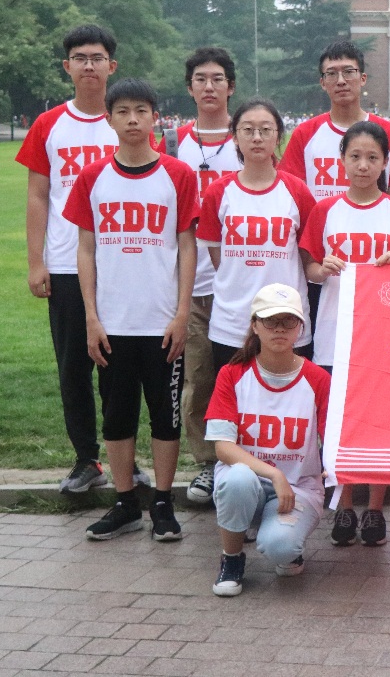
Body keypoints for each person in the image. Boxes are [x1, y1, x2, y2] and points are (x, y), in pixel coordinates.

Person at [16, 24, 153, 494]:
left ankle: (125, 460)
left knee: (121, 369)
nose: (89, 65)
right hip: (65, 264)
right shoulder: (49, 124)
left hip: (121, 265)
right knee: (74, 367)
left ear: (112, 66)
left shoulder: (126, 121)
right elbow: (38, 195)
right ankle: (85, 459)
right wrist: (36, 262)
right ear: (67, 66)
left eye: (97, 58)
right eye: (80, 58)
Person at [63, 78, 199, 541]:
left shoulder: (178, 175)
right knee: (117, 416)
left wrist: (181, 313)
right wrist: (91, 317)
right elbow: (85, 249)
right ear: (109, 119)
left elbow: (186, 247)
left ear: (155, 117)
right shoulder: (92, 177)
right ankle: (125, 503)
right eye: (123, 111)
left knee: (166, 417)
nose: (133, 119)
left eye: (142, 110)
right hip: (113, 322)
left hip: (162, 323)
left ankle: (162, 502)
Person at [300, 120, 390, 548]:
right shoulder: (325, 210)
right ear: (342, 161)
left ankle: (375, 507)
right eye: (355, 156)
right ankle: (345, 503)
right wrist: (322, 269)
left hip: (383, 333)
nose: (363, 165)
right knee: (338, 422)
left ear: (385, 162)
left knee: (378, 421)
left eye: (373, 157)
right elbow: (310, 267)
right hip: (335, 331)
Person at [205, 284, 330, 596]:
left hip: (298, 486)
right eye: (271, 320)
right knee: (237, 479)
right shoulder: (232, 374)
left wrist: (334, 464)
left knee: (281, 548)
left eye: (289, 321)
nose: (280, 329)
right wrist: (274, 474)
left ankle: (286, 542)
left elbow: (333, 439)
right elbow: (223, 447)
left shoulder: (318, 379)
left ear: (301, 328)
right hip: (249, 480)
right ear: (255, 325)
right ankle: (232, 558)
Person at [169, 47, 244, 505]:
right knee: (198, 380)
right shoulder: (174, 140)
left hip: (241, 281)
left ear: (230, 87)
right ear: (190, 88)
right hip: (192, 281)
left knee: (242, 378)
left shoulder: (248, 135)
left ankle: (252, 457)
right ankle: (207, 464)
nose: (209, 86)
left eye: (218, 79)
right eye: (201, 79)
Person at [197, 98, 316, 370]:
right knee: (233, 394)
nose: (257, 137)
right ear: (235, 137)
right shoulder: (218, 192)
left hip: (288, 322)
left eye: (266, 130)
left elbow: (306, 256)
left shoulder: (297, 191)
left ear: (278, 137)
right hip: (231, 324)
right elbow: (219, 258)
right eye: (248, 130)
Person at [278, 40, 390, 202]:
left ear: (363, 78)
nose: (341, 81)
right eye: (332, 74)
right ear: (323, 83)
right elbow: (293, 198)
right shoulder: (304, 134)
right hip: (320, 220)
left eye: (348, 72)